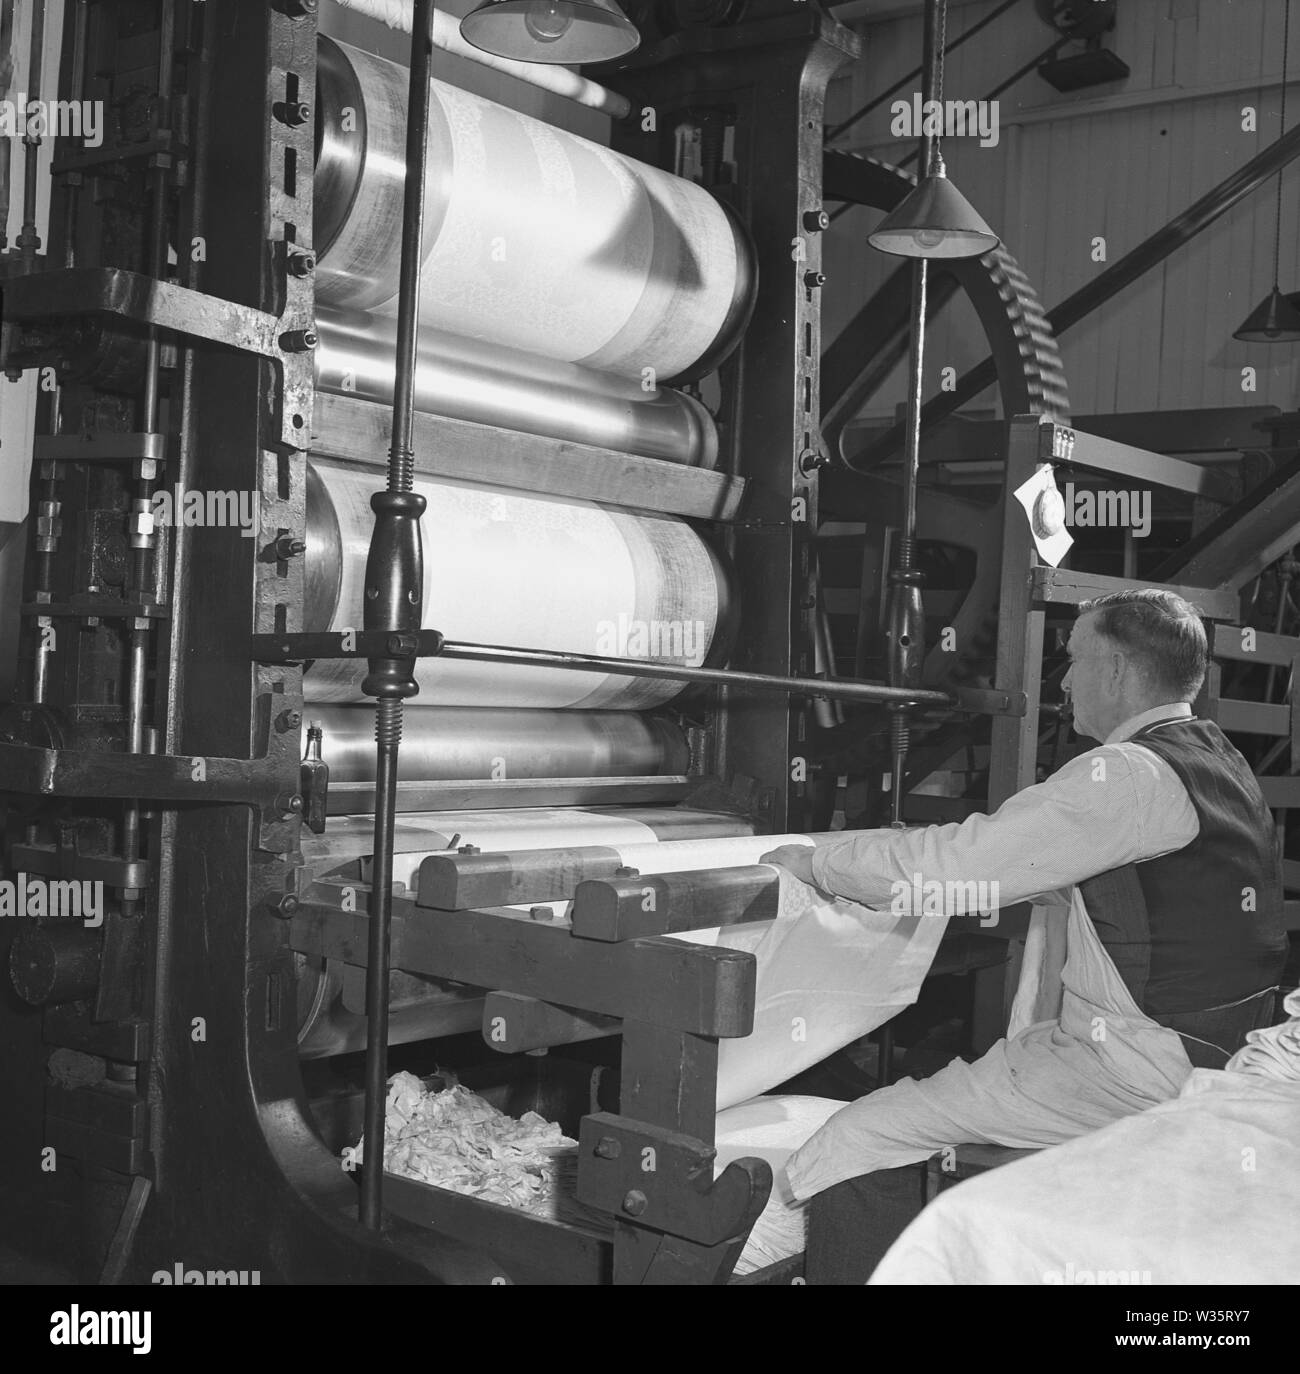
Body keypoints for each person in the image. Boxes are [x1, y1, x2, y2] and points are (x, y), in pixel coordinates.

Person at [761, 588, 1289, 1284]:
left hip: (1135, 1067)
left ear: (1120, 670)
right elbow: (1107, 879)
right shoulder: (1215, 757)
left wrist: (815, 862)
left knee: (861, 1137)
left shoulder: (1128, 775)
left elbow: (956, 867)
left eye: (1075, 661)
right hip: (1207, 1049)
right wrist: (921, 853)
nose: (1065, 683)